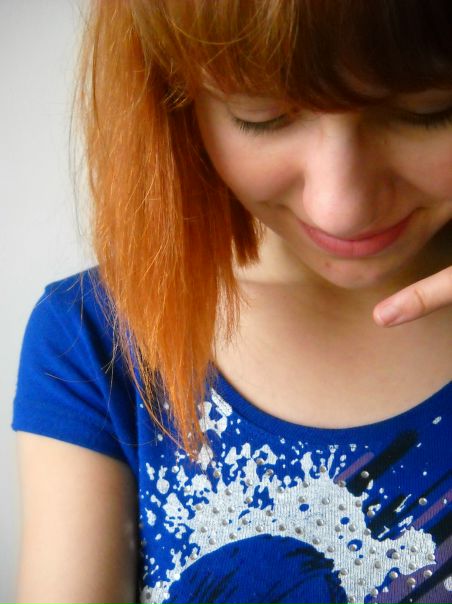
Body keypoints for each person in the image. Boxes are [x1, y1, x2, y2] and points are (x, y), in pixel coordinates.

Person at [11, 1, 452, 603]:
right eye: (261, 116)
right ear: (176, 95)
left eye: (426, 111)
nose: (340, 207)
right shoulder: (96, 340)